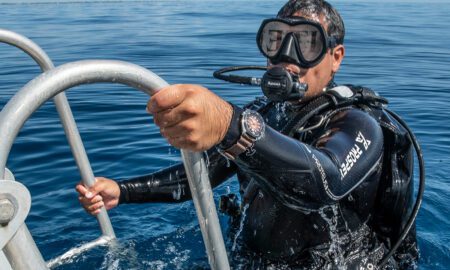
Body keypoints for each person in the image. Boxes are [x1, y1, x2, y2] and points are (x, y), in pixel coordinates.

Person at [76, 0, 418, 268]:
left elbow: (324, 181)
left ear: (336, 57)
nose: (287, 59)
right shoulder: (267, 115)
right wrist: (124, 191)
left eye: (306, 43)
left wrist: (232, 125)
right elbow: (201, 174)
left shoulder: (360, 125)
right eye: (276, 41)